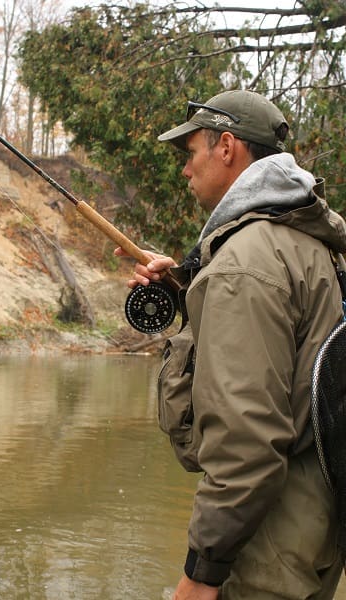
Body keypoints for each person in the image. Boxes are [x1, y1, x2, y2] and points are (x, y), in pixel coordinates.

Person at [115, 89, 346, 599]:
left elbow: (248, 446)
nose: (185, 169)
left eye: (191, 152)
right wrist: (189, 282)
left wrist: (202, 573)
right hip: (315, 529)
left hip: (266, 552)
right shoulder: (309, 243)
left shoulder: (244, 265)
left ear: (226, 146)